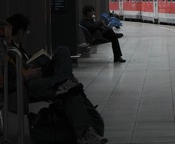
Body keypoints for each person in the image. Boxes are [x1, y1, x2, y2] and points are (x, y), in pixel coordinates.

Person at [5, 14, 107, 144]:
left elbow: (23, 63)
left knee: (62, 50)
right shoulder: (8, 53)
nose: (7, 41)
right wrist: (25, 75)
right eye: (6, 38)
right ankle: (84, 132)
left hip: (36, 75)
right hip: (28, 83)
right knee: (70, 90)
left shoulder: (16, 47)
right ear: (20, 31)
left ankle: (63, 81)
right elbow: (9, 81)